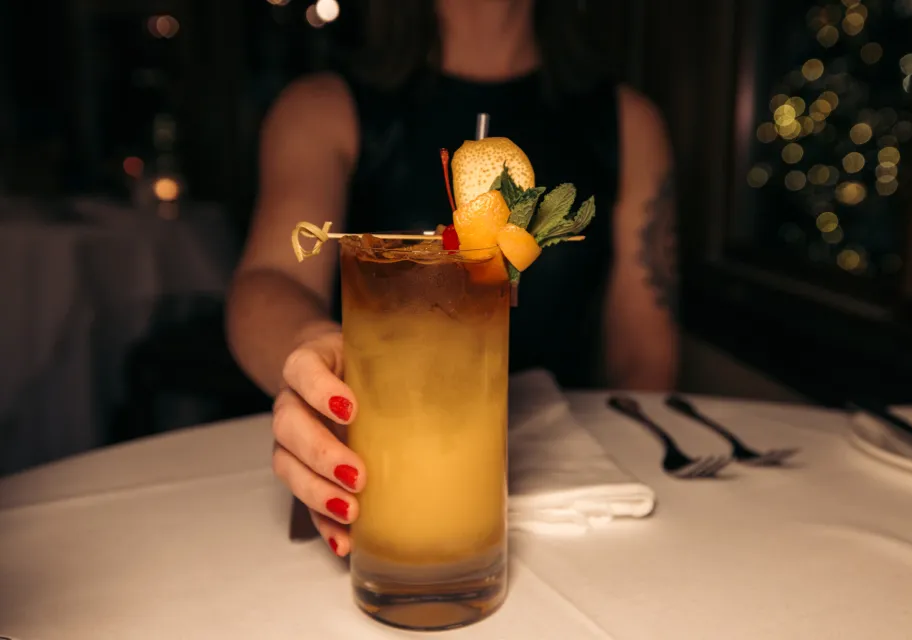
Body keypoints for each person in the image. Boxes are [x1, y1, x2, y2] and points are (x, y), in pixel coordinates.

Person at [226, 0, 678, 555]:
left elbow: (643, 356)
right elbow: (271, 278)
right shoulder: (320, 108)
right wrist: (309, 347)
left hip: (584, 527)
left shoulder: (627, 121)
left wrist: (610, 486)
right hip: (398, 478)